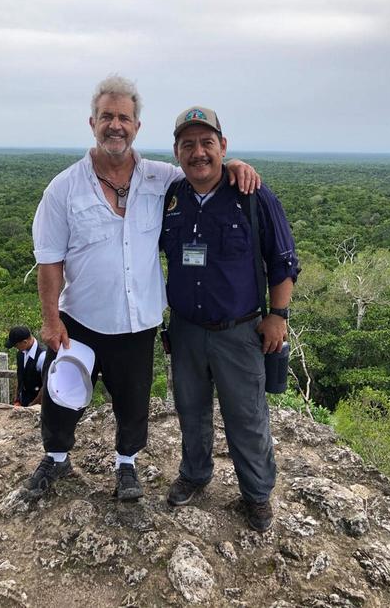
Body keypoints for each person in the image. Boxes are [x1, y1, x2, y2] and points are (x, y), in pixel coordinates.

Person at [25, 75, 261, 502]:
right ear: (92, 122)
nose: (115, 125)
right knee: (63, 396)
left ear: (137, 126)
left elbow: (203, 170)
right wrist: (50, 319)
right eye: (107, 117)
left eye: (124, 118)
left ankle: (126, 465)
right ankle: (56, 456)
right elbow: (49, 260)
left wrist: (235, 167)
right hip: (79, 318)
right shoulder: (63, 189)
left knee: (133, 403)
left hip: (138, 323)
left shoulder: (162, 179)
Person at [159, 106, 300, 532]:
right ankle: (196, 473)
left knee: (247, 416)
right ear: (176, 152)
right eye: (188, 145)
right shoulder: (170, 198)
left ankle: (256, 494)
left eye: (207, 143)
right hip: (185, 331)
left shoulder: (253, 195)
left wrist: (278, 316)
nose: (198, 153)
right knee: (190, 410)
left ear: (223, 145)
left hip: (238, 331)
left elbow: (283, 261)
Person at [4, 325, 47, 407]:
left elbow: (46, 386)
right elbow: (20, 377)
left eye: (16, 345)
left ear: (25, 342)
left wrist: (33, 405)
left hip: (39, 406)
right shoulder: (20, 353)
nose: (16, 348)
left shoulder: (43, 356)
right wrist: (17, 399)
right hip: (23, 403)